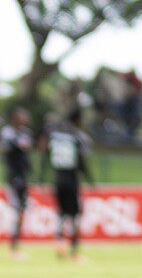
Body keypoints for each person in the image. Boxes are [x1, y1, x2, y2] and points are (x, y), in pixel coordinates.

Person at [41, 109, 94, 260]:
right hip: (71, 181)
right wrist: (90, 181)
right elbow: (81, 162)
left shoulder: (55, 136)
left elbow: (45, 156)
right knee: (76, 215)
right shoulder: (77, 136)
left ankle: (59, 244)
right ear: (78, 120)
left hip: (57, 180)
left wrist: (41, 179)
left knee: (61, 214)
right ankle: (74, 252)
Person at [2, 107, 34, 257]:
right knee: (16, 209)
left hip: (23, 177)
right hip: (14, 177)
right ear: (14, 116)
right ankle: (13, 247)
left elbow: (27, 154)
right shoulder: (8, 133)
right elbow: (6, 151)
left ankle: (16, 245)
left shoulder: (26, 133)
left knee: (21, 210)